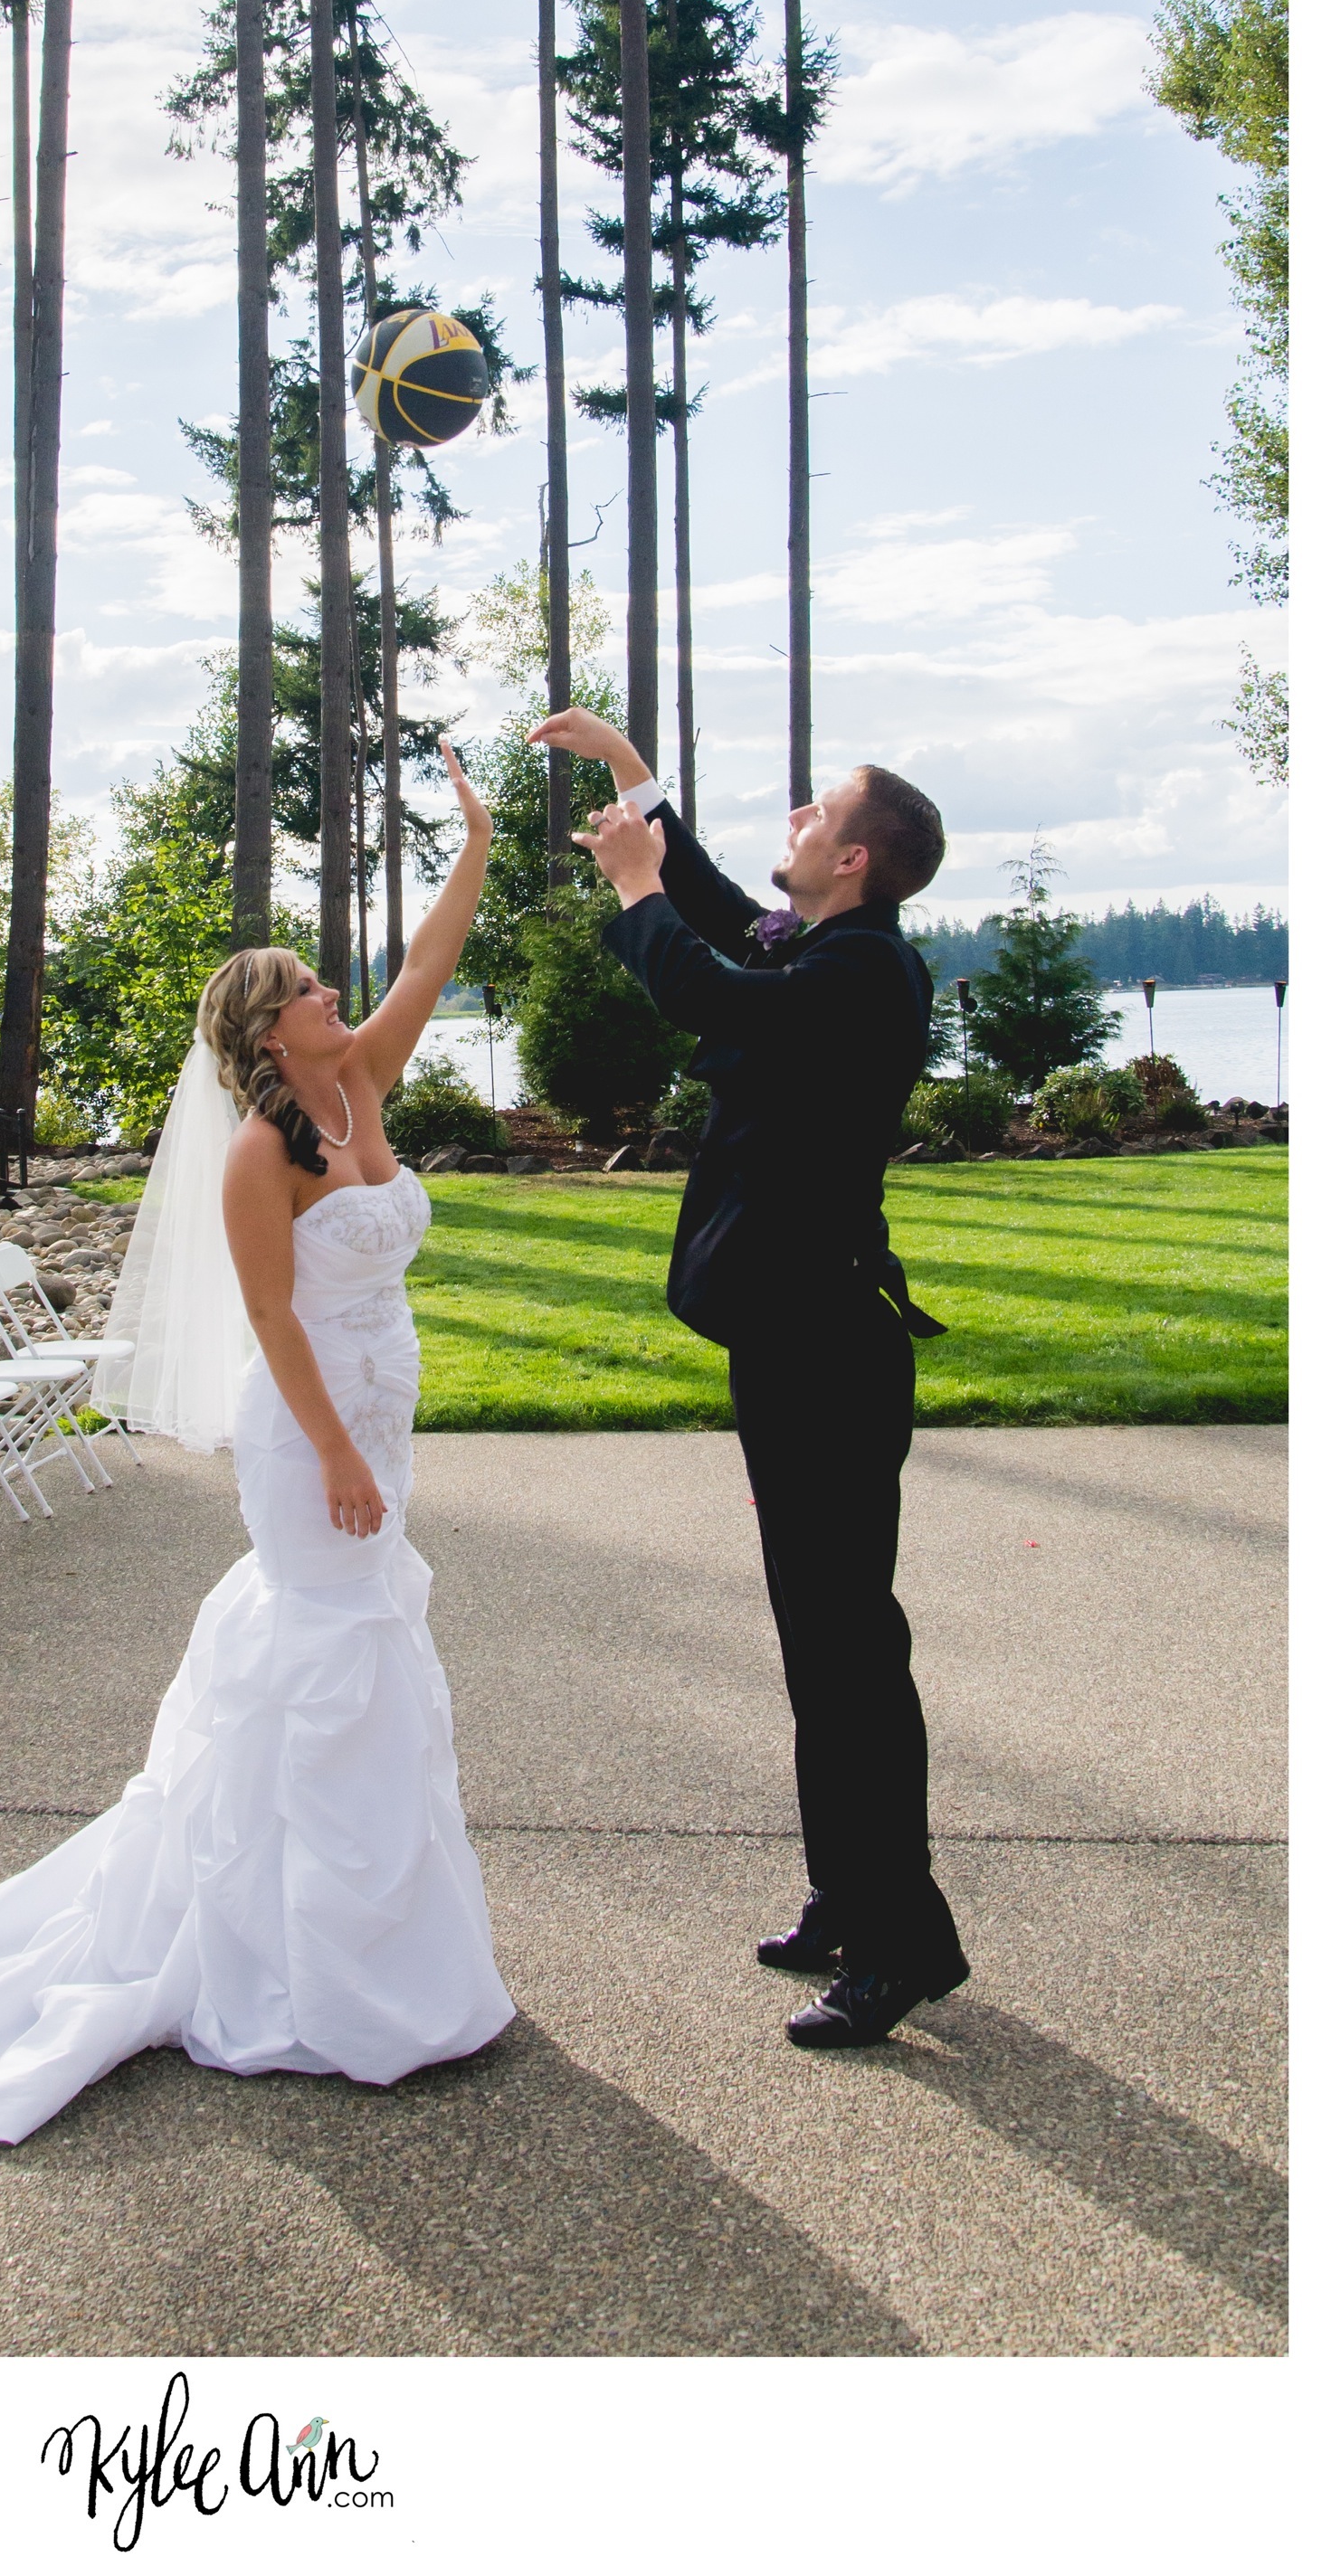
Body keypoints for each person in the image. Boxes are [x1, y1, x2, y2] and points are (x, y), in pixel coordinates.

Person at [0, 737, 514, 2142]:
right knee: (330, 1648)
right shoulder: (256, 1154)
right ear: (260, 1033)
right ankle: (296, 1969)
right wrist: (342, 1459)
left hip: (383, 1404)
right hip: (309, 1438)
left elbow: (430, 959)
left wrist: (470, 839)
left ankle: (379, 1956)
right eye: (301, 986)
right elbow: (273, 1324)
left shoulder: (363, 1083)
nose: (328, 989)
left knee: (362, 1648)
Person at [532, 707, 968, 2050]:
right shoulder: (832, 948)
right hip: (798, 1343)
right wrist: (632, 780)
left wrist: (630, 889)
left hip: (831, 1353)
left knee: (846, 1650)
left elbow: (709, 984)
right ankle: (849, 1892)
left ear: (853, 864)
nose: (794, 822)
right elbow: (727, 920)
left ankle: (905, 1944)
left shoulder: (862, 978)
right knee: (817, 1641)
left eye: (813, 817)